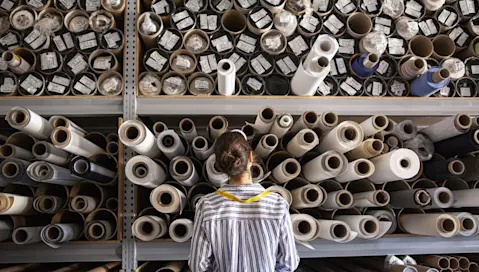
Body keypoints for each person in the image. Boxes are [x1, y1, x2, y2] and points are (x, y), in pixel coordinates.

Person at [189, 131, 299, 272]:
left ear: (219, 166)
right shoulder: (277, 205)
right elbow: (289, 263)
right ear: (251, 157)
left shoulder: (207, 206)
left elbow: (198, 265)